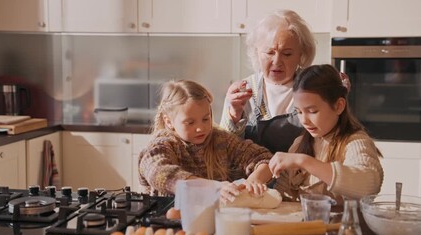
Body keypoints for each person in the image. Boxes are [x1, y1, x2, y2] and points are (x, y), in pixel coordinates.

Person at [220, 9, 349, 154]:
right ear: (256, 52)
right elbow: (223, 151)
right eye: (269, 52)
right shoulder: (242, 91)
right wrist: (234, 115)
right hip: (252, 175)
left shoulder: (314, 87)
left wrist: (336, 103)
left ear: (301, 54)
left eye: (287, 54)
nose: (277, 61)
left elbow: (335, 141)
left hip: (300, 174)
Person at [266, 64, 383, 202]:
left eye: (312, 111)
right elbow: (282, 197)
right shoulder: (299, 144)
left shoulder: (355, 142)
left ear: (339, 106)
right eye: (299, 111)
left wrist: (304, 161)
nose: (304, 120)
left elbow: (368, 185)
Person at [138, 79, 272, 196]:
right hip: (165, 220)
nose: (200, 128)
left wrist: (254, 180)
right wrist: (213, 187)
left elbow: (263, 158)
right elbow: (159, 172)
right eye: (190, 122)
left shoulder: (221, 140)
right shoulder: (164, 145)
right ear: (169, 122)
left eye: (205, 119)